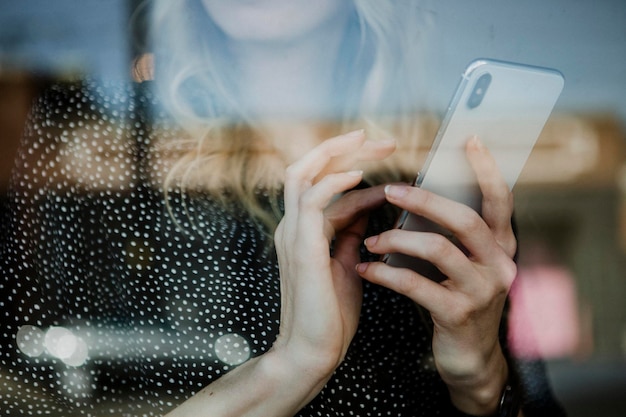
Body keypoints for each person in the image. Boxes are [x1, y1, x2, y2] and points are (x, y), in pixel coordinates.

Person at [0, 0, 566, 416]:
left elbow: (529, 399)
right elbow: (35, 390)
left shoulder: (439, 176)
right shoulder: (99, 143)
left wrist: (481, 380)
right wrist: (291, 367)